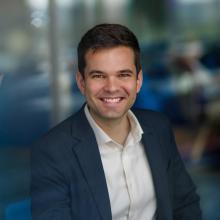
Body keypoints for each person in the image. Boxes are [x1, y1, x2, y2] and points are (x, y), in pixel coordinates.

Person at [31, 23, 202, 220]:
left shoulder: (158, 127)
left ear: (138, 81)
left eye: (123, 74)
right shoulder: (51, 151)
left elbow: (185, 203)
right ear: (81, 82)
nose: (112, 87)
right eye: (98, 75)